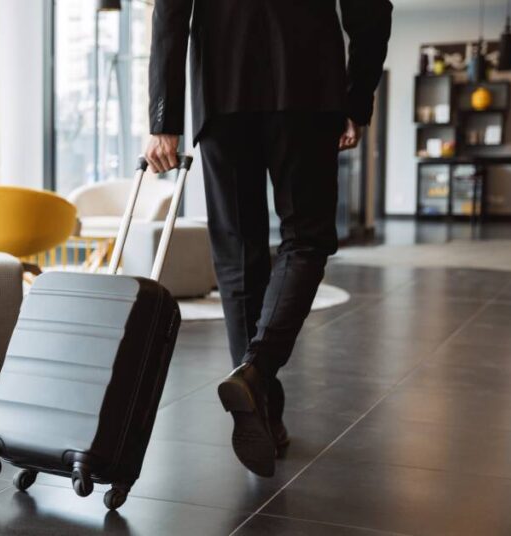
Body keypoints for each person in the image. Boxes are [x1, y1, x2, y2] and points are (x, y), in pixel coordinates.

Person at [145, 0, 392, 477]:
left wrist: (163, 119)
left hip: (220, 87)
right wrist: (357, 98)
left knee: (238, 253)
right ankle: (256, 372)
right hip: (309, 85)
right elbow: (371, 9)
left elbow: (170, 12)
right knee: (306, 239)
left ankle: (264, 412)